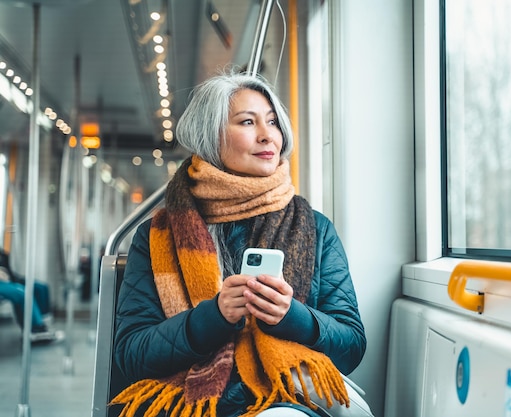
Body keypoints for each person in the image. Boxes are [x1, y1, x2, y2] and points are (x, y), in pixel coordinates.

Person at [112, 72, 367, 417]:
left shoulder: (315, 229)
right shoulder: (158, 236)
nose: (268, 136)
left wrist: (292, 317)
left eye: (273, 123)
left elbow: (351, 346)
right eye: (247, 122)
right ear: (210, 136)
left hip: (285, 398)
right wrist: (213, 317)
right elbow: (131, 354)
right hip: (191, 404)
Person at [0, 250, 60, 343]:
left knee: (41, 288)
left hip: (8, 278)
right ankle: (35, 329)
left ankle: (42, 323)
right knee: (22, 293)